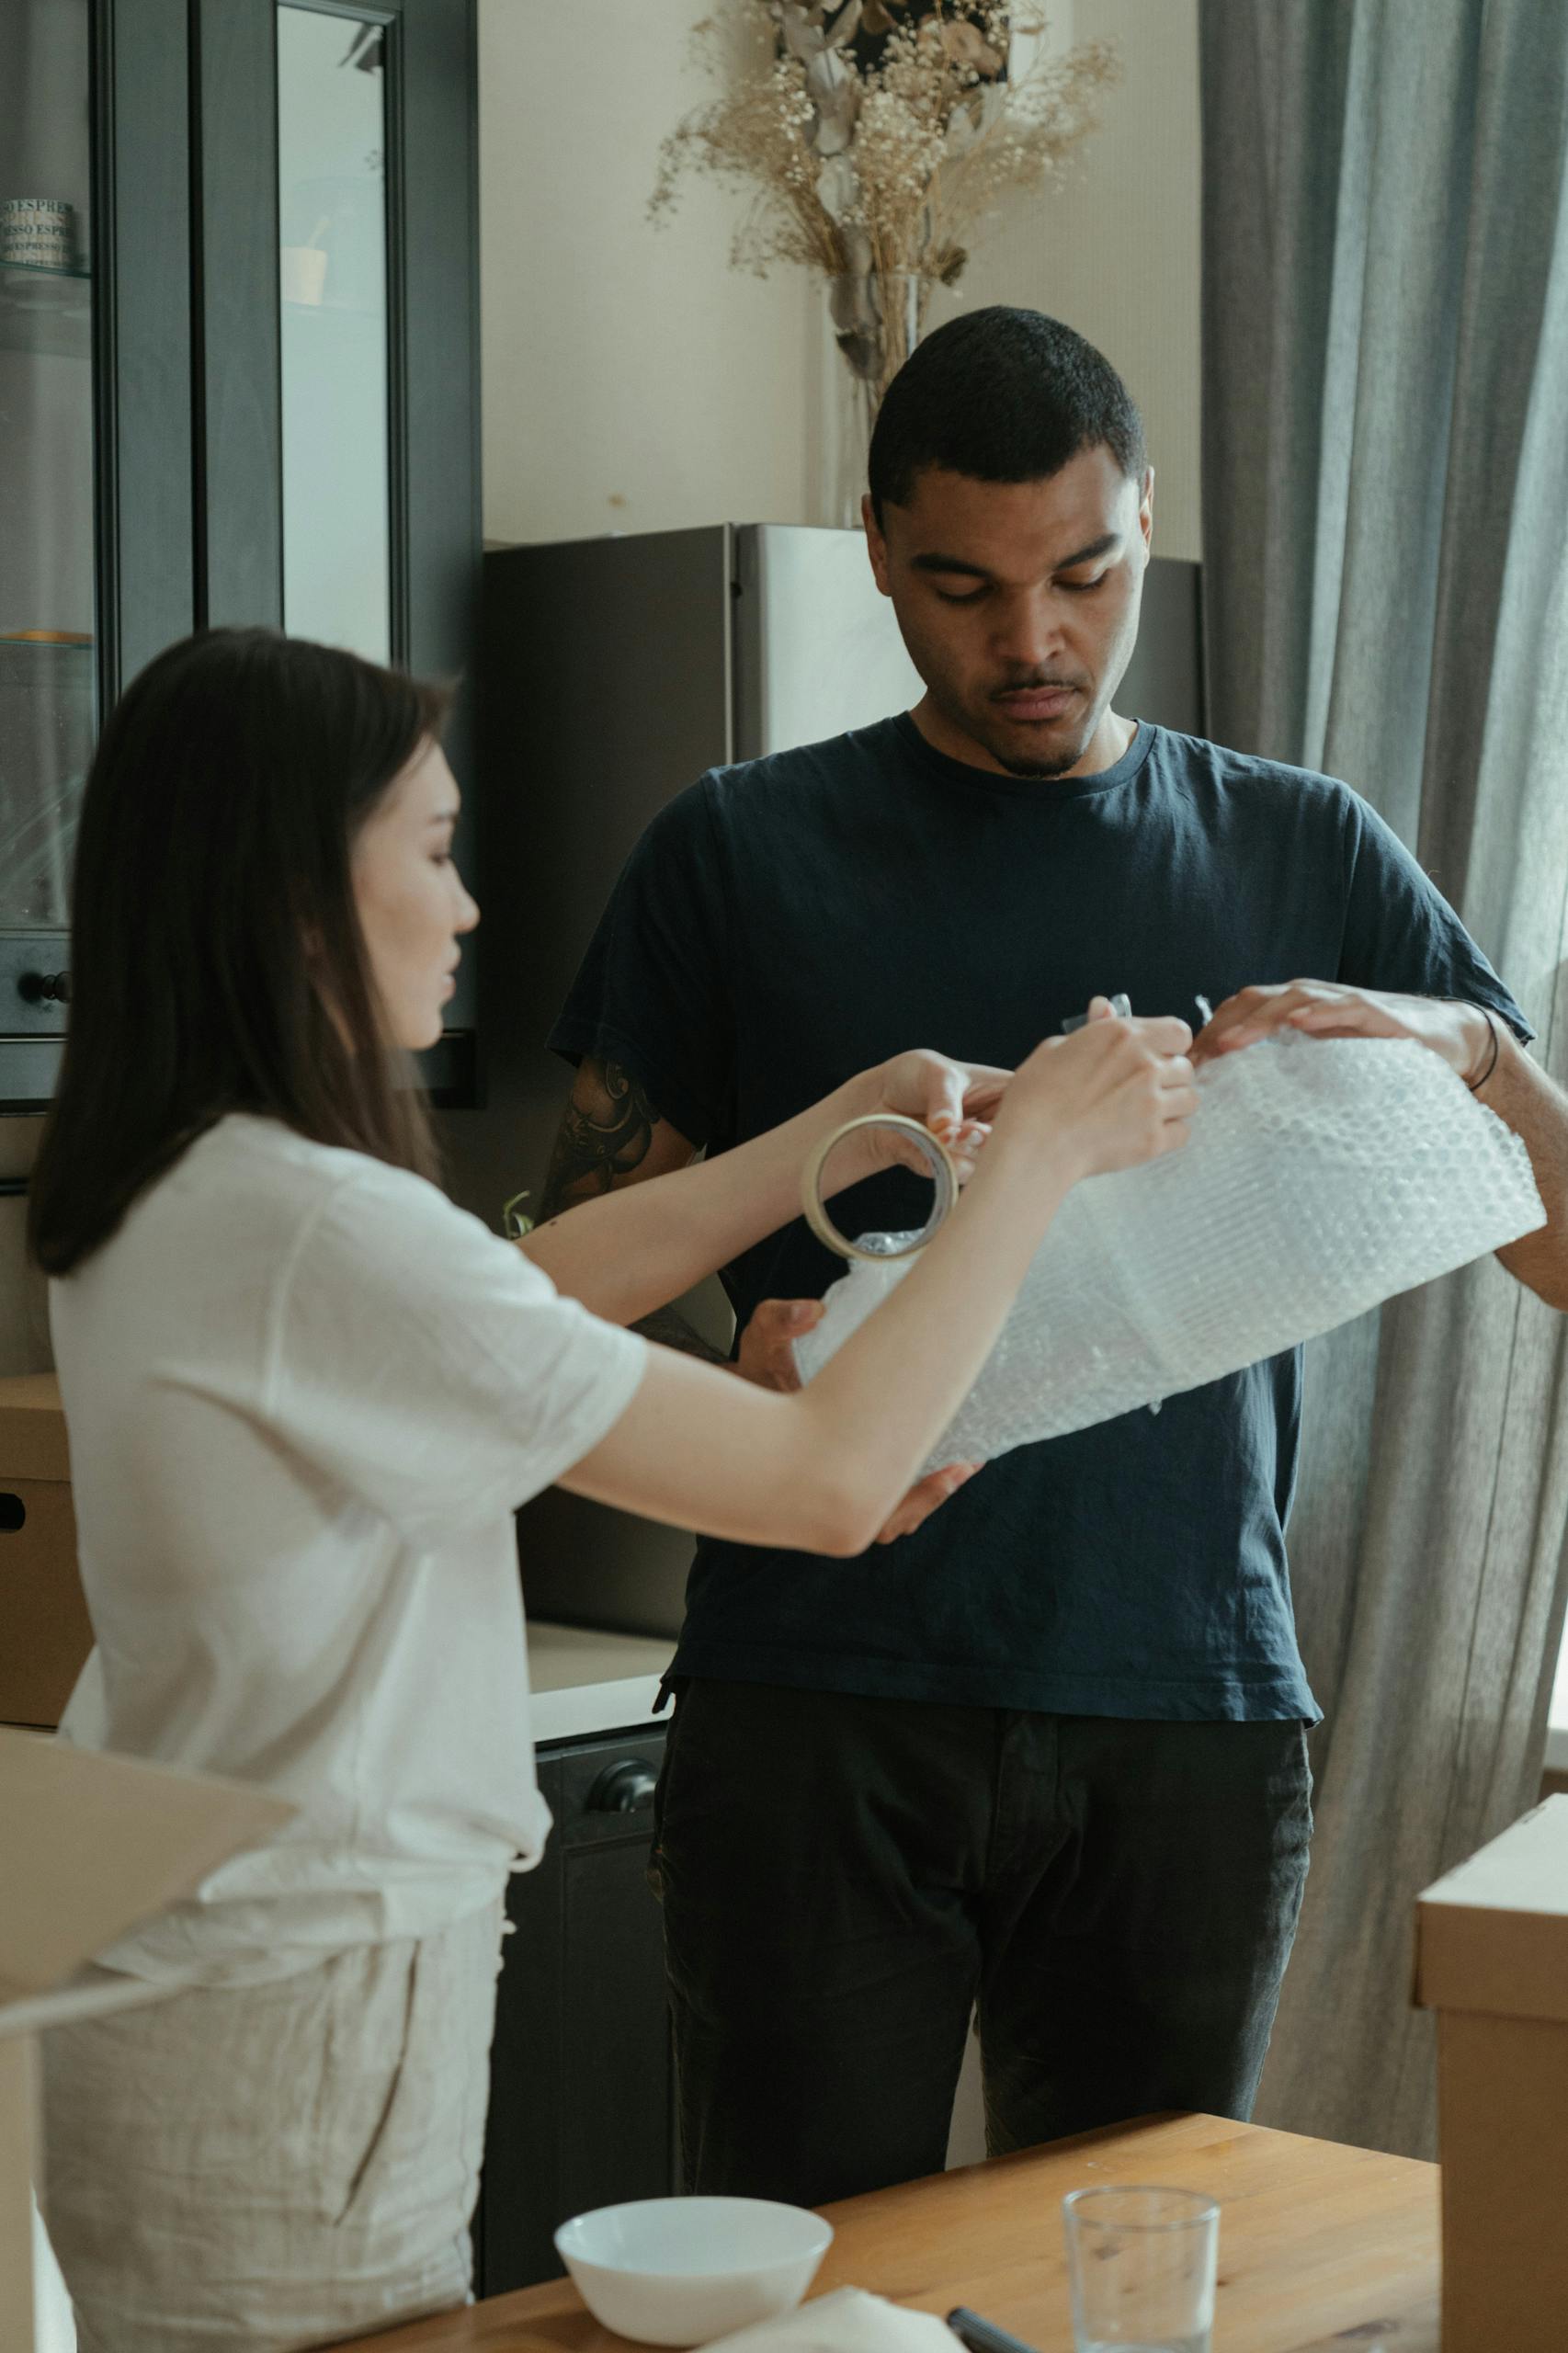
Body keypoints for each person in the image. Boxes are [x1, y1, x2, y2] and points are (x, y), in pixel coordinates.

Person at [27, 626, 1194, 2353]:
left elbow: (535, 1283)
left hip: (212, 1985)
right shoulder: (309, 1227)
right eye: (430, 849)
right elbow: (825, 1474)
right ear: (292, 902)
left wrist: (857, 1121)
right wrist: (1036, 1161)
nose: (472, 905)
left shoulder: (185, 1188)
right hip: (300, 2022)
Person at [540, 306, 1568, 2207]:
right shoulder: (734, 850)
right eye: (964, 586)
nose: (1032, 638)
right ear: (877, 552)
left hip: (1181, 1701)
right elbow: (547, 1279)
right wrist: (728, 1356)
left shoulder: (1301, 843)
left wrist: (1478, 1051)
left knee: (1145, 2301)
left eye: (1085, 575)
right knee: (791, 2294)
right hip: (815, 1693)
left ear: (1144, 526)